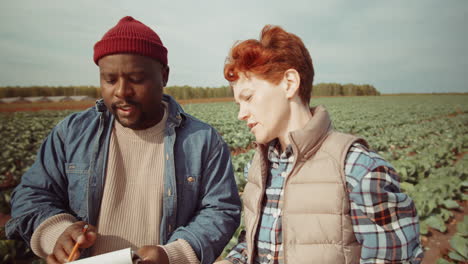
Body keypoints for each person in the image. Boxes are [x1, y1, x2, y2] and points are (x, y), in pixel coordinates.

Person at [5, 16, 241, 264]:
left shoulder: (202, 140)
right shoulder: (71, 133)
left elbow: (220, 210)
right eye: (110, 80)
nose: (121, 91)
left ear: (164, 76)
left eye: (136, 79)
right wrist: (57, 233)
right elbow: (32, 195)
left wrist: (172, 255)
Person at [218, 25, 424, 264]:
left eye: (248, 97)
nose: (241, 114)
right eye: (238, 104)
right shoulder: (259, 166)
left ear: (289, 83)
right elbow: (254, 245)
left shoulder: (358, 169)